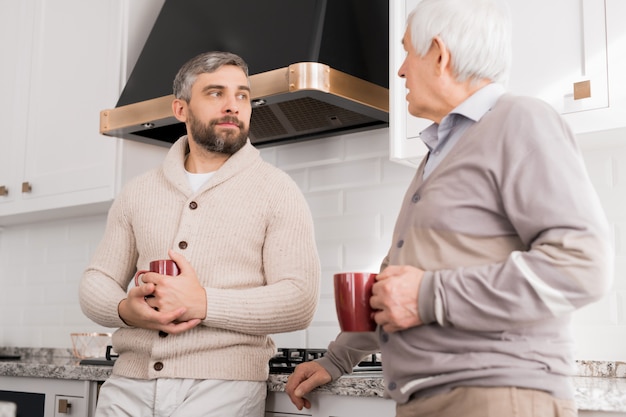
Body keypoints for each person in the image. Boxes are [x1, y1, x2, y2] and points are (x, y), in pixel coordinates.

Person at [285, 0, 613, 416]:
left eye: (407, 52)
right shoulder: (441, 149)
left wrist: (427, 294)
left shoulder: (520, 120)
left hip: (495, 395)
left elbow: (581, 265)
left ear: (439, 54)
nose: (400, 70)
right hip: (434, 397)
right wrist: (337, 358)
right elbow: (396, 288)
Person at [79, 51, 321, 417]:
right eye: (215, 93)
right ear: (181, 110)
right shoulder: (138, 191)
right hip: (127, 386)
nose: (232, 105)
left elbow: (299, 301)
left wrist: (203, 303)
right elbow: (96, 280)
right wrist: (125, 310)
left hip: (224, 390)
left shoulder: (277, 190)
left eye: (242, 95)